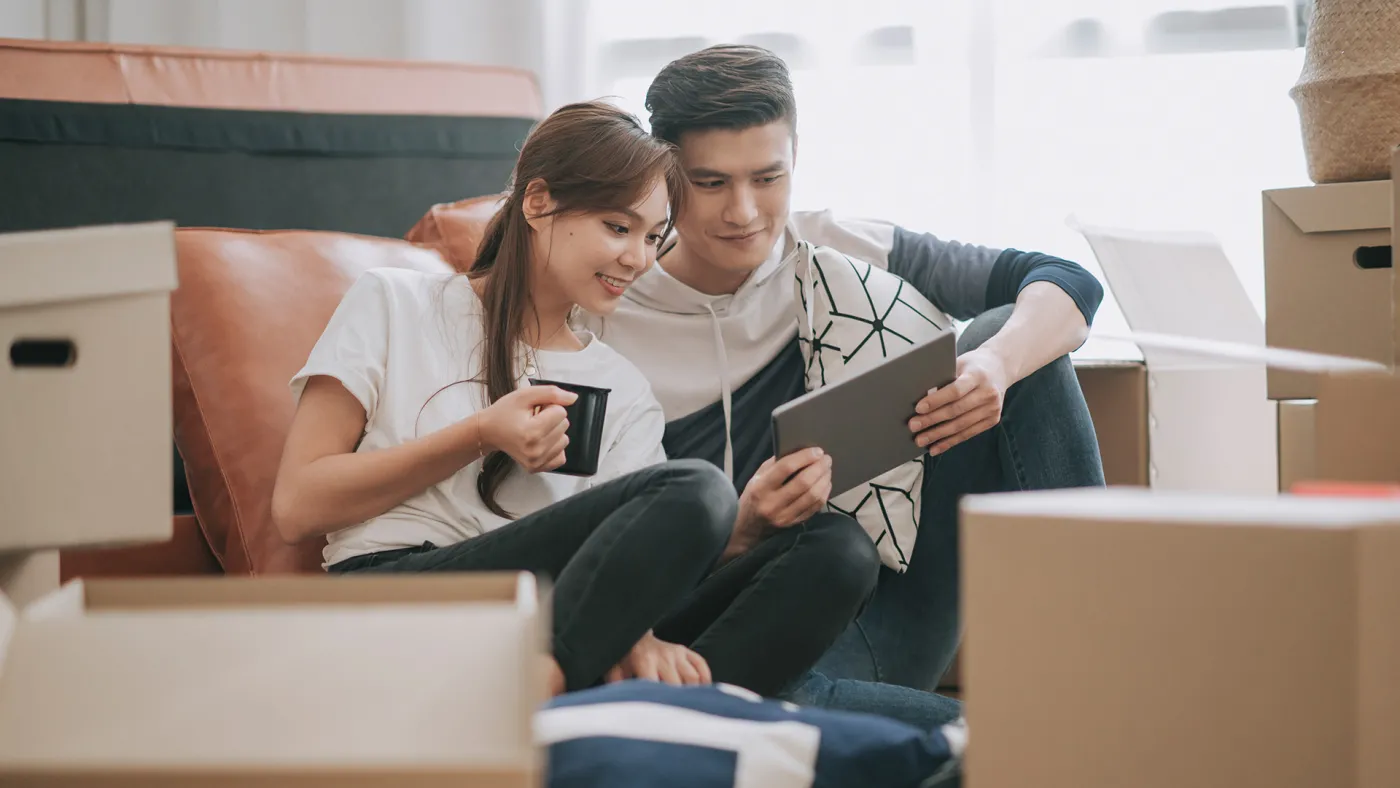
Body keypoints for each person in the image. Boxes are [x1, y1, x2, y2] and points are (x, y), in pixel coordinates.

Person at [270, 100, 873, 701]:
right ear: (538, 202)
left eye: (652, 237)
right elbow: (298, 505)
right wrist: (480, 434)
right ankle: (557, 706)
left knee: (838, 550)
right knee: (697, 489)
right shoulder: (394, 303)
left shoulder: (624, 389)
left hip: (549, 619)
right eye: (618, 227)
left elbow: (640, 557)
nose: (636, 259)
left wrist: (630, 625)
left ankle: (646, 723)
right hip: (400, 593)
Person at [579, 45, 1108, 726]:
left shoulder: (832, 245)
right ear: (665, 174)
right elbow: (594, 552)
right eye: (711, 183)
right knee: (785, 694)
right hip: (753, 636)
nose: (744, 212)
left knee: (1013, 337)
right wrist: (741, 528)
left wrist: (994, 369)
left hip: (897, 602)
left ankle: (1100, 655)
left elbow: (1066, 283)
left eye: (768, 177)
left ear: (795, 158)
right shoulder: (608, 311)